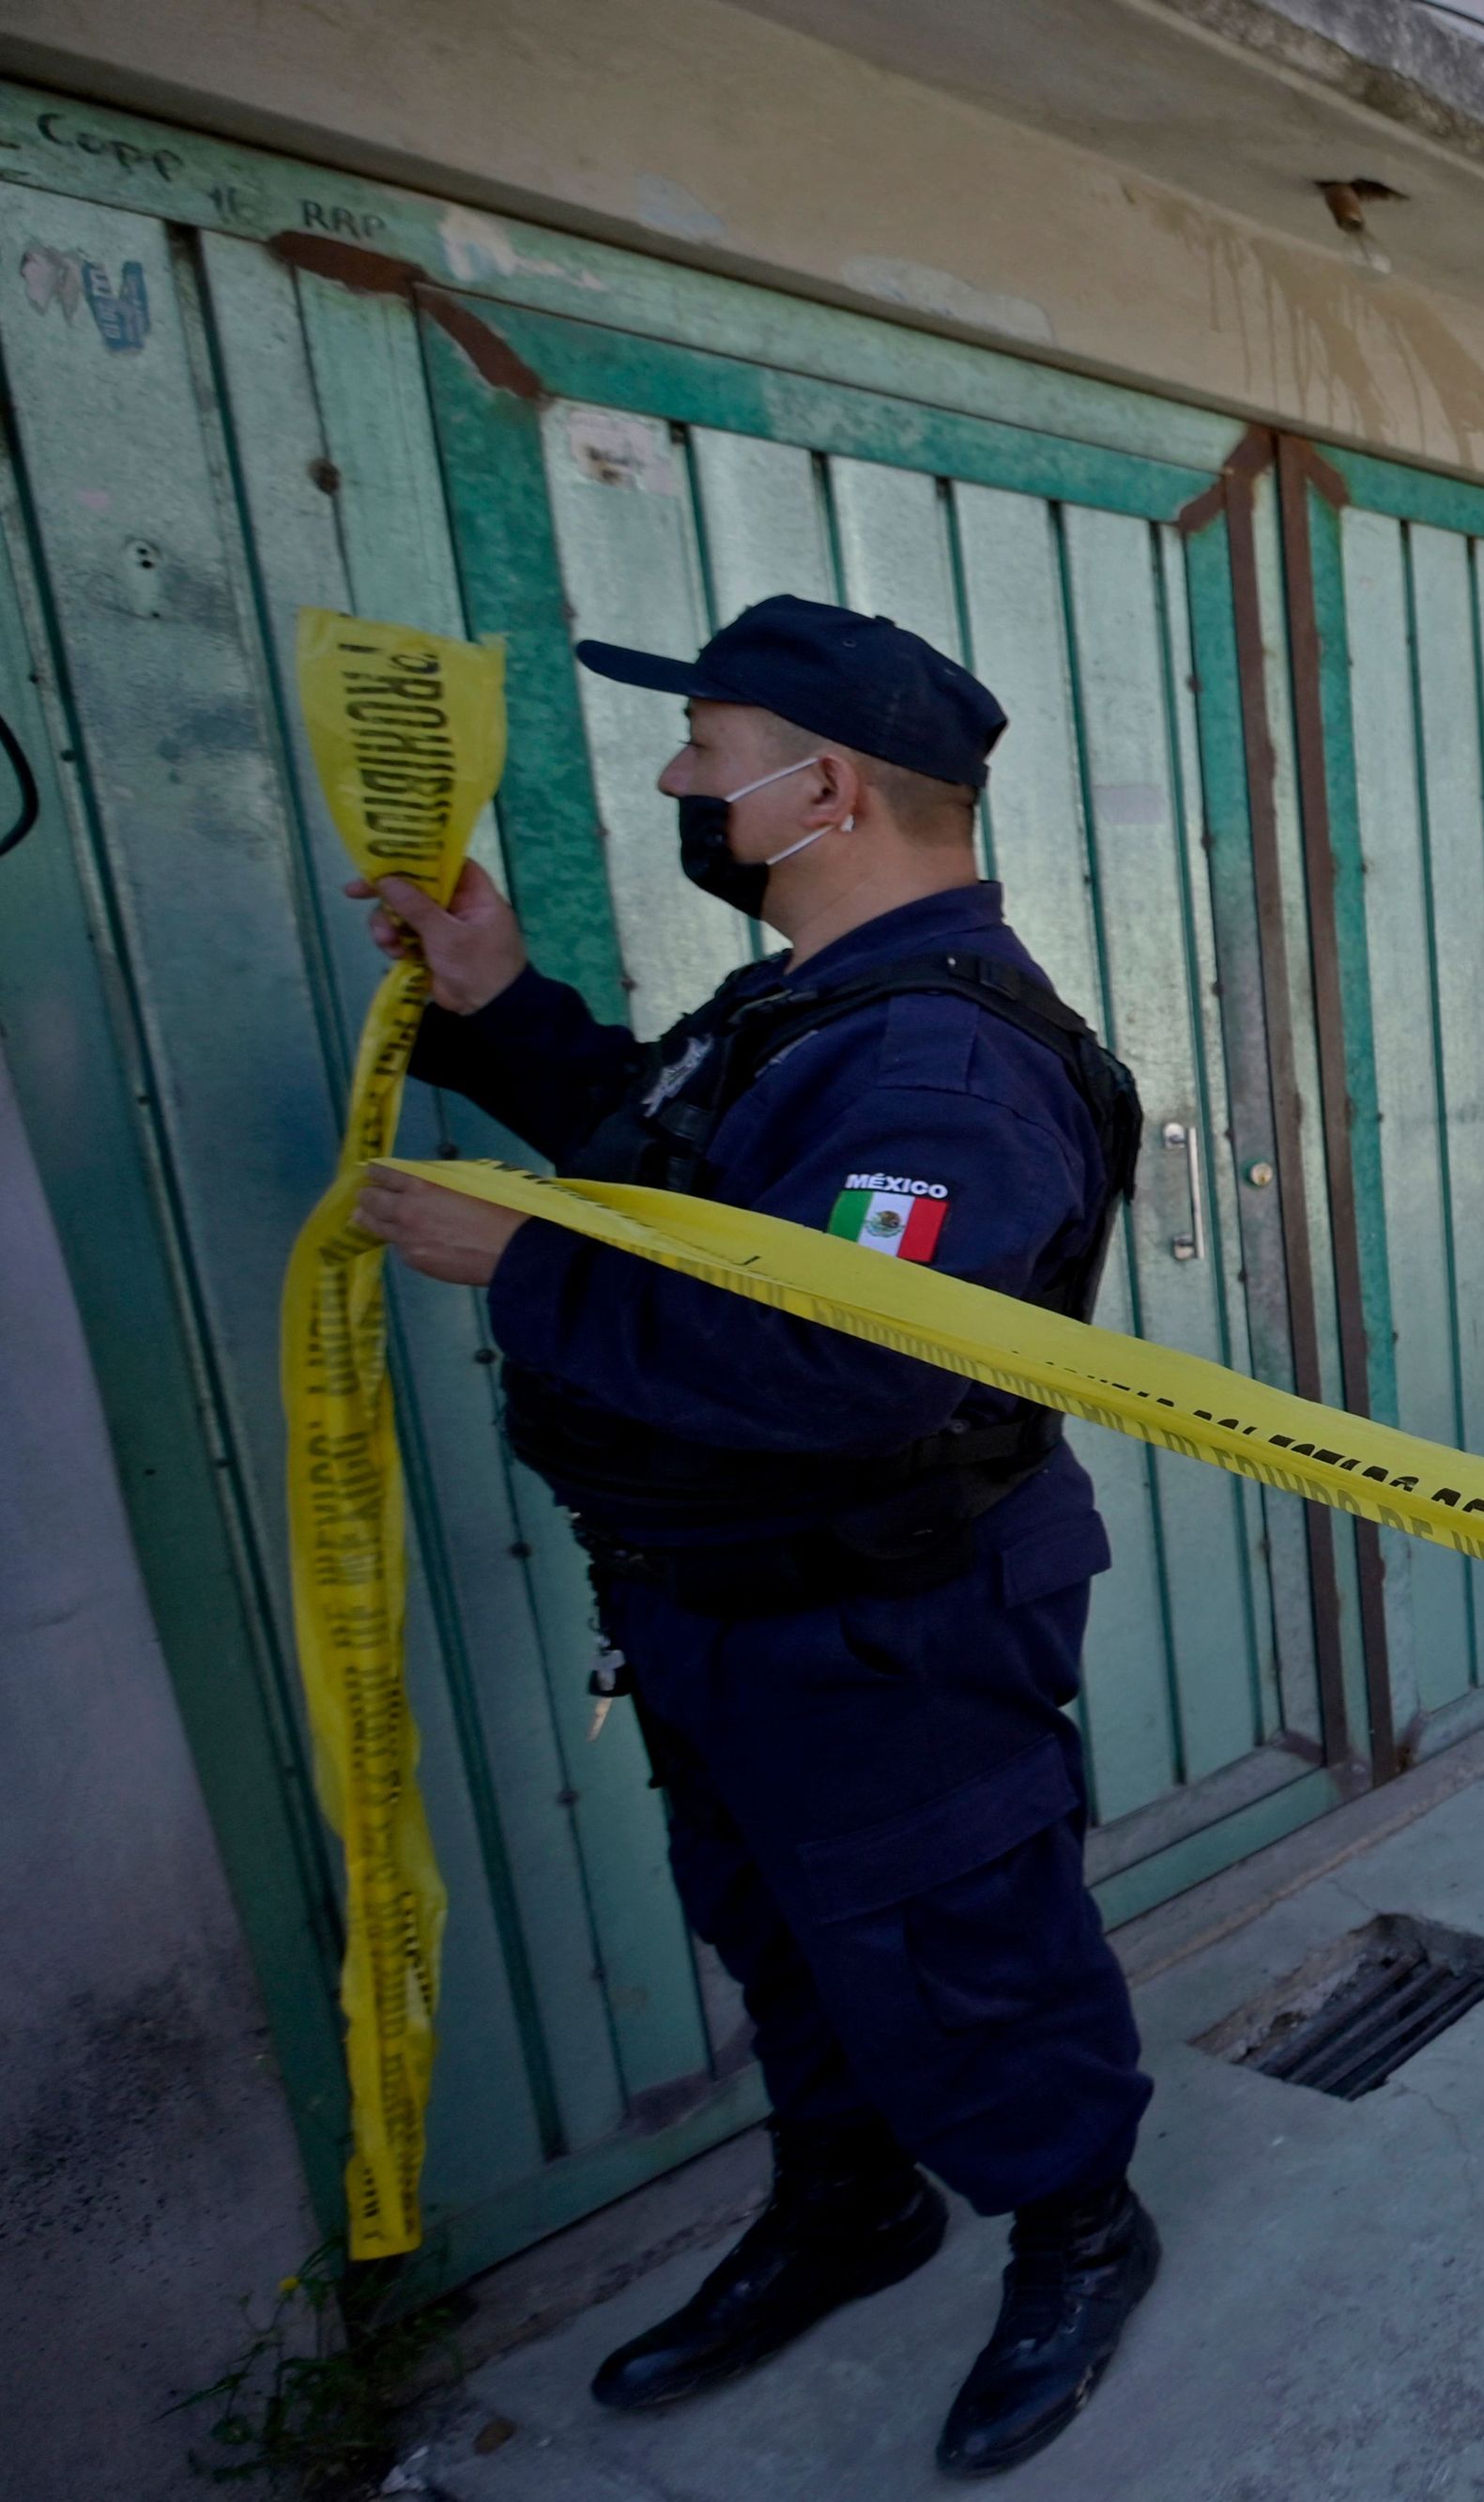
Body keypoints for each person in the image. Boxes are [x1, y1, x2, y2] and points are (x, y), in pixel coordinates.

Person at [349, 597, 1160, 2477]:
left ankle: (1078, 2229)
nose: (672, 781)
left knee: (965, 1938)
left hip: (891, 1615)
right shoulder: (811, 1014)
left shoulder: (940, 1073)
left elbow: (842, 1363)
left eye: (705, 752)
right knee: (792, 1934)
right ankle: (847, 2204)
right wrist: (499, 1011)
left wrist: (527, 1260)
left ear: (830, 790)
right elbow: (679, 1170)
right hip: (724, 1610)